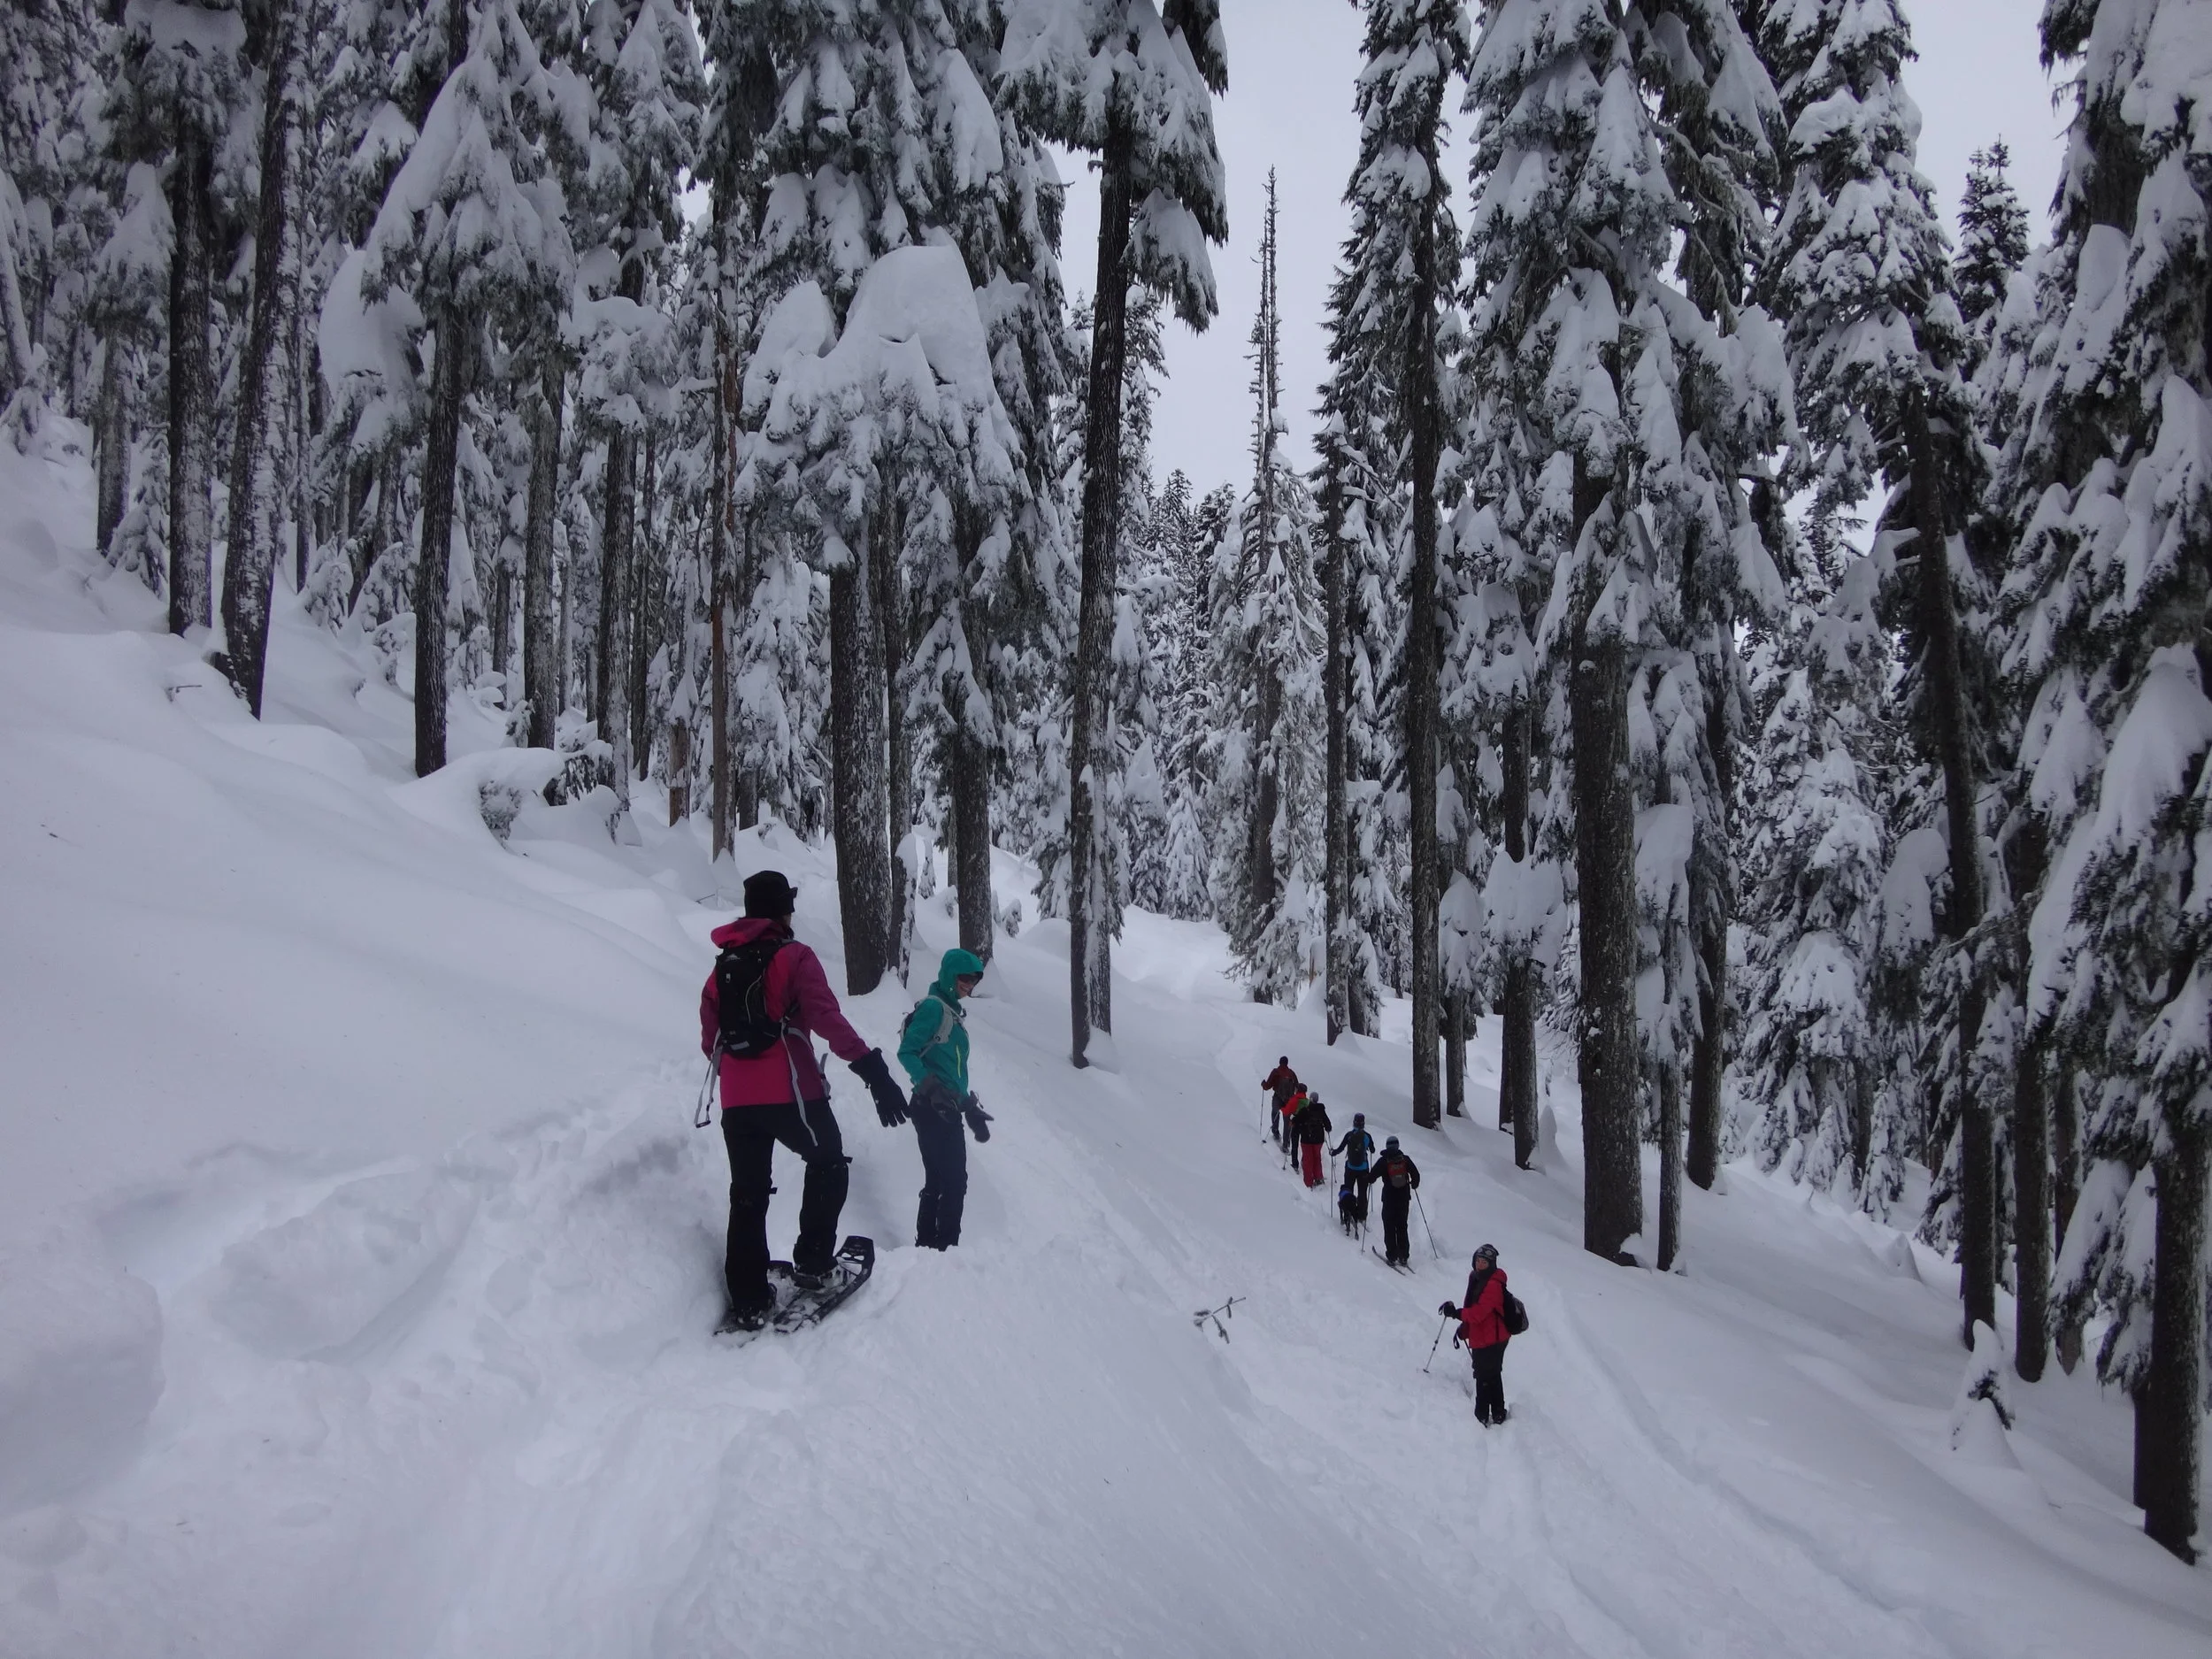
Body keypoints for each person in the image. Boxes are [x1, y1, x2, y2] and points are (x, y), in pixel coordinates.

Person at [703, 870, 910, 1331]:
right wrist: (873, 1071)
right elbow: (827, 1020)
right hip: (792, 1092)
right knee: (829, 1161)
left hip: (736, 1101)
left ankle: (750, 1297)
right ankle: (815, 1266)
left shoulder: (722, 967)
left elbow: (709, 1040)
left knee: (748, 1192)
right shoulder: (794, 957)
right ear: (782, 910)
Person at [897, 947, 994, 1249]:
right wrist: (932, 1091)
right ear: (950, 975)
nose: (969, 985)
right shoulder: (934, 1009)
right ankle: (942, 1250)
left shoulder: (950, 1011)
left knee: (942, 1180)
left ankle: (931, 1249)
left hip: (944, 1107)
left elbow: (949, 1069)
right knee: (951, 1182)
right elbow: (907, 1052)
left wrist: (967, 1105)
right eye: (964, 978)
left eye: (974, 980)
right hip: (930, 1107)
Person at [1440, 1243, 1512, 1425]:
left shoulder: (1494, 1285)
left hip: (1494, 1338)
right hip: (1485, 1335)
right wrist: (1465, 1329)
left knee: (1483, 1375)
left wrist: (1457, 1313)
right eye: (1478, 1261)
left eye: (1484, 1262)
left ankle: (1482, 1415)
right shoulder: (1477, 1278)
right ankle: (1497, 1413)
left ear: (1492, 1264)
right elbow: (1473, 1309)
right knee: (1492, 1374)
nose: (1480, 1265)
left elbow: (1479, 1313)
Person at [1371, 1135, 1421, 1265]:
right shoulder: (1405, 1159)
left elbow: (1372, 1176)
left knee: (1389, 1227)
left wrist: (1368, 1179)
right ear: (1398, 1146)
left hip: (1389, 1199)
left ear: (1387, 1146)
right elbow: (1416, 1175)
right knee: (1402, 1226)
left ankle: (1392, 1256)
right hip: (1404, 1198)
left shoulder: (1383, 1161)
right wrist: (1414, 1184)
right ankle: (1404, 1255)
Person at [1333, 1113, 1376, 1219]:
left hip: (1350, 1167)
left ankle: (1348, 1212)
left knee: (1348, 1190)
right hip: (1363, 1169)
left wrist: (1333, 1152)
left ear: (1354, 1123)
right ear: (1363, 1124)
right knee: (1362, 1192)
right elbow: (1373, 1150)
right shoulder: (1367, 1136)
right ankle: (1361, 1215)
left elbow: (1341, 1148)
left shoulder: (1349, 1135)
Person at [1293, 1093, 1333, 1187]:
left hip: (1306, 1139)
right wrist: (1327, 1128)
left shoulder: (1304, 1110)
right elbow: (1328, 1125)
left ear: (1310, 1099)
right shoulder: (1321, 1110)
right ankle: (1319, 1178)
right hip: (1319, 1139)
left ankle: (1308, 1182)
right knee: (1317, 1158)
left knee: (1308, 1160)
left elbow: (1296, 1121)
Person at [1262, 1056, 1299, 1148]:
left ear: (1279, 1062)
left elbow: (1267, 1086)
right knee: (1287, 1121)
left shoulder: (1276, 1072)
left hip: (1278, 1097)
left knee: (1275, 1112)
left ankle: (1275, 1132)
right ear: (1287, 1063)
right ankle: (1286, 1144)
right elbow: (1297, 1087)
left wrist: (1263, 1084)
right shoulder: (1292, 1073)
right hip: (1289, 1100)